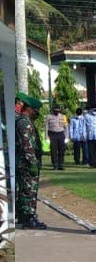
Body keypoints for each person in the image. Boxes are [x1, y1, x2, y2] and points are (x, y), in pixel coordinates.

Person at [15, 93, 46, 229]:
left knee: (25, 190)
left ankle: (23, 216)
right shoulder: (24, 122)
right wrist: (32, 162)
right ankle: (29, 218)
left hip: (26, 162)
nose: (37, 112)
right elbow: (27, 144)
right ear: (29, 109)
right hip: (27, 163)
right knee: (29, 191)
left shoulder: (26, 121)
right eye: (36, 110)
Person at [44, 106, 67, 170]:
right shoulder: (48, 117)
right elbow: (46, 127)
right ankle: (55, 165)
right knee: (53, 151)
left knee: (61, 150)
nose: (57, 111)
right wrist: (46, 137)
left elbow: (66, 127)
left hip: (61, 134)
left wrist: (67, 136)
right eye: (55, 110)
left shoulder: (63, 116)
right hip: (52, 134)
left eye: (58, 110)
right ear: (53, 110)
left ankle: (61, 165)